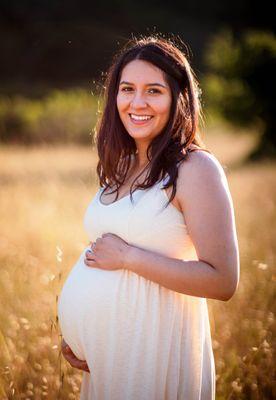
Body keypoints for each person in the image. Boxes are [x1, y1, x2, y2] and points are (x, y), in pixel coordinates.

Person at [57, 35, 240, 400]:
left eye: (153, 91)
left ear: (178, 98)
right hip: (112, 361)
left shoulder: (195, 168)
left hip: (155, 356)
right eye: (127, 89)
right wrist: (84, 334)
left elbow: (223, 281)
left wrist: (128, 258)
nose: (137, 103)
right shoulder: (122, 165)